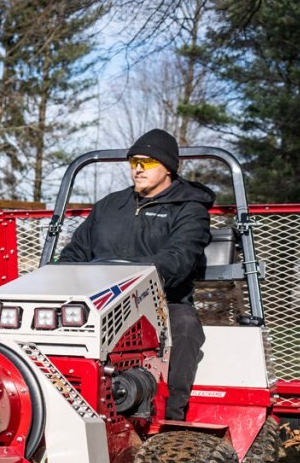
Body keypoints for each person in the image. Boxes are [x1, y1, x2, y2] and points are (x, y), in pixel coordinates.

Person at [57, 128, 213, 421]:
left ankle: (171, 419)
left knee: (185, 326)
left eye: (148, 162)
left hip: (162, 302)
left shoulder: (190, 209)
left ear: (168, 167)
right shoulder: (109, 206)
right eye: (134, 162)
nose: (138, 168)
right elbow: (75, 253)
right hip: (100, 300)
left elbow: (179, 259)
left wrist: (130, 281)